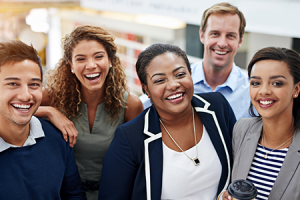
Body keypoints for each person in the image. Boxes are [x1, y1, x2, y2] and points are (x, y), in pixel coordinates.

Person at [98, 43, 236, 200]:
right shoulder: (129, 139)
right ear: (146, 90)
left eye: (180, 75)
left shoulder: (218, 107)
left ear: (190, 75)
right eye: (159, 80)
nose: (173, 85)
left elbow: (241, 162)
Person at [35, 25, 144, 200]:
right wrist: (48, 111)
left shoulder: (130, 105)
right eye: (81, 59)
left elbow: (139, 164)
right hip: (65, 194)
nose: (91, 65)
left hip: (114, 194)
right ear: (70, 65)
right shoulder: (52, 98)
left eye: (98, 56)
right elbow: (9, 110)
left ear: (110, 60)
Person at [0, 40, 86, 200]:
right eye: (13, 84)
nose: (26, 95)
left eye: (34, 84)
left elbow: (74, 195)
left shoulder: (58, 138)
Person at [140, 2, 250, 120]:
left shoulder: (250, 91)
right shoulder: (178, 81)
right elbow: (143, 104)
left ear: (240, 41)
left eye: (230, 36)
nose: (222, 43)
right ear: (202, 35)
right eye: (215, 34)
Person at [222, 47, 300, 200]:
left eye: (277, 83)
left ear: (296, 89)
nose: (263, 91)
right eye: (256, 83)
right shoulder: (242, 129)